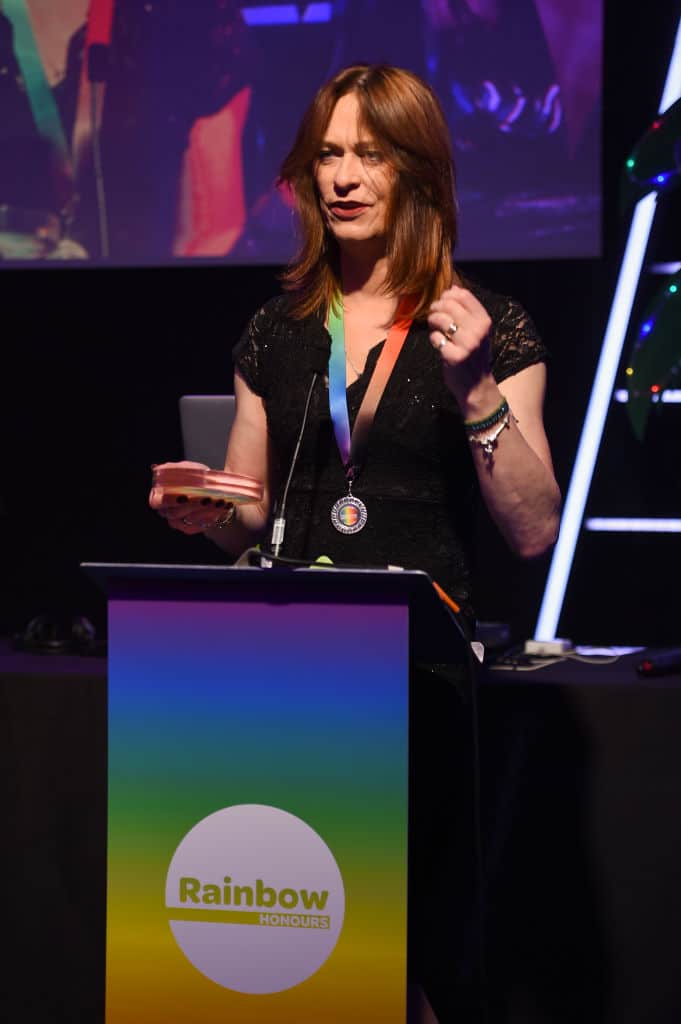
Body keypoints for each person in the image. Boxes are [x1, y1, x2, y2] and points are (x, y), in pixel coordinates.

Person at [150, 63, 561, 1021]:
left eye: (368, 155)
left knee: (397, 939)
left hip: (416, 678)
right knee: (300, 938)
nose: (341, 177)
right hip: (289, 674)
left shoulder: (487, 327)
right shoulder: (275, 331)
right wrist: (206, 513)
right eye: (327, 156)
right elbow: (250, 514)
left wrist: (477, 394)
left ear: (415, 172)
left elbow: (533, 529)